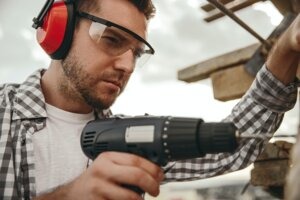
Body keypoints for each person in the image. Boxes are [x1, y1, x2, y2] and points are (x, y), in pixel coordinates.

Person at [0, 0, 299, 199]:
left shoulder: (126, 139)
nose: (127, 66)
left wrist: (287, 47)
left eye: (137, 53)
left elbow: (230, 149)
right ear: (58, 31)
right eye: (112, 39)